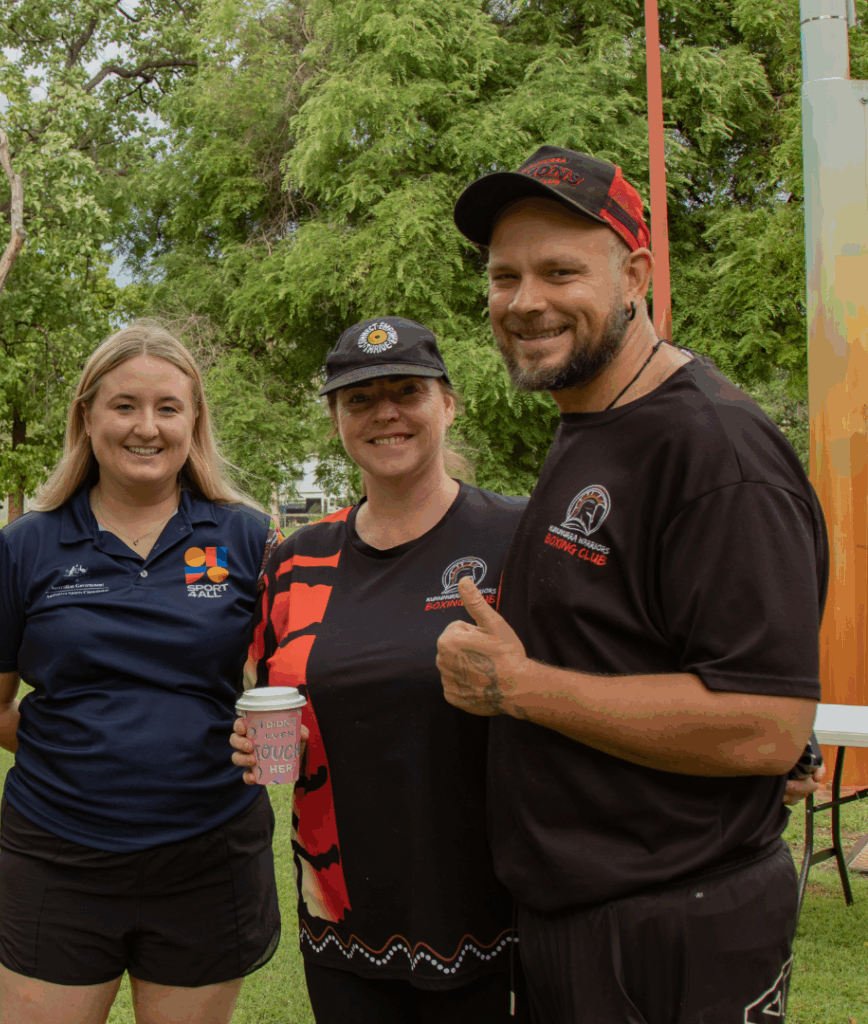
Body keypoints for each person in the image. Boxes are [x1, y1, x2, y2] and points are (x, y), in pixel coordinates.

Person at [437, 146, 828, 1022]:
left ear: (635, 278)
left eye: (560, 271)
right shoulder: (594, 420)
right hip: (579, 921)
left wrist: (520, 688)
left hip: (675, 930)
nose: (524, 301)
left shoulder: (715, 452)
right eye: (504, 276)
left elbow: (768, 725)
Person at [0, 322, 280, 1024]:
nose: (147, 427)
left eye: (168, 407)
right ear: (86, 416)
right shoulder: (24, 547)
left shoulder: (250, 539)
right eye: (124, 405)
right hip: (59, 853)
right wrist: (87, 763)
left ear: (194, 421)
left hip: (211, 851)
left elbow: (286, 683)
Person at [230, 316, 528, 1024]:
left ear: (448, 404)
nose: (385, 412)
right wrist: (255, 740)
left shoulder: (516, 534)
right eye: (359, 399)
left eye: (407, 391)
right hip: (342, 913)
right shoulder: (298, 560)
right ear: (336, 420)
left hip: (497, 911)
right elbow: (273, 695)